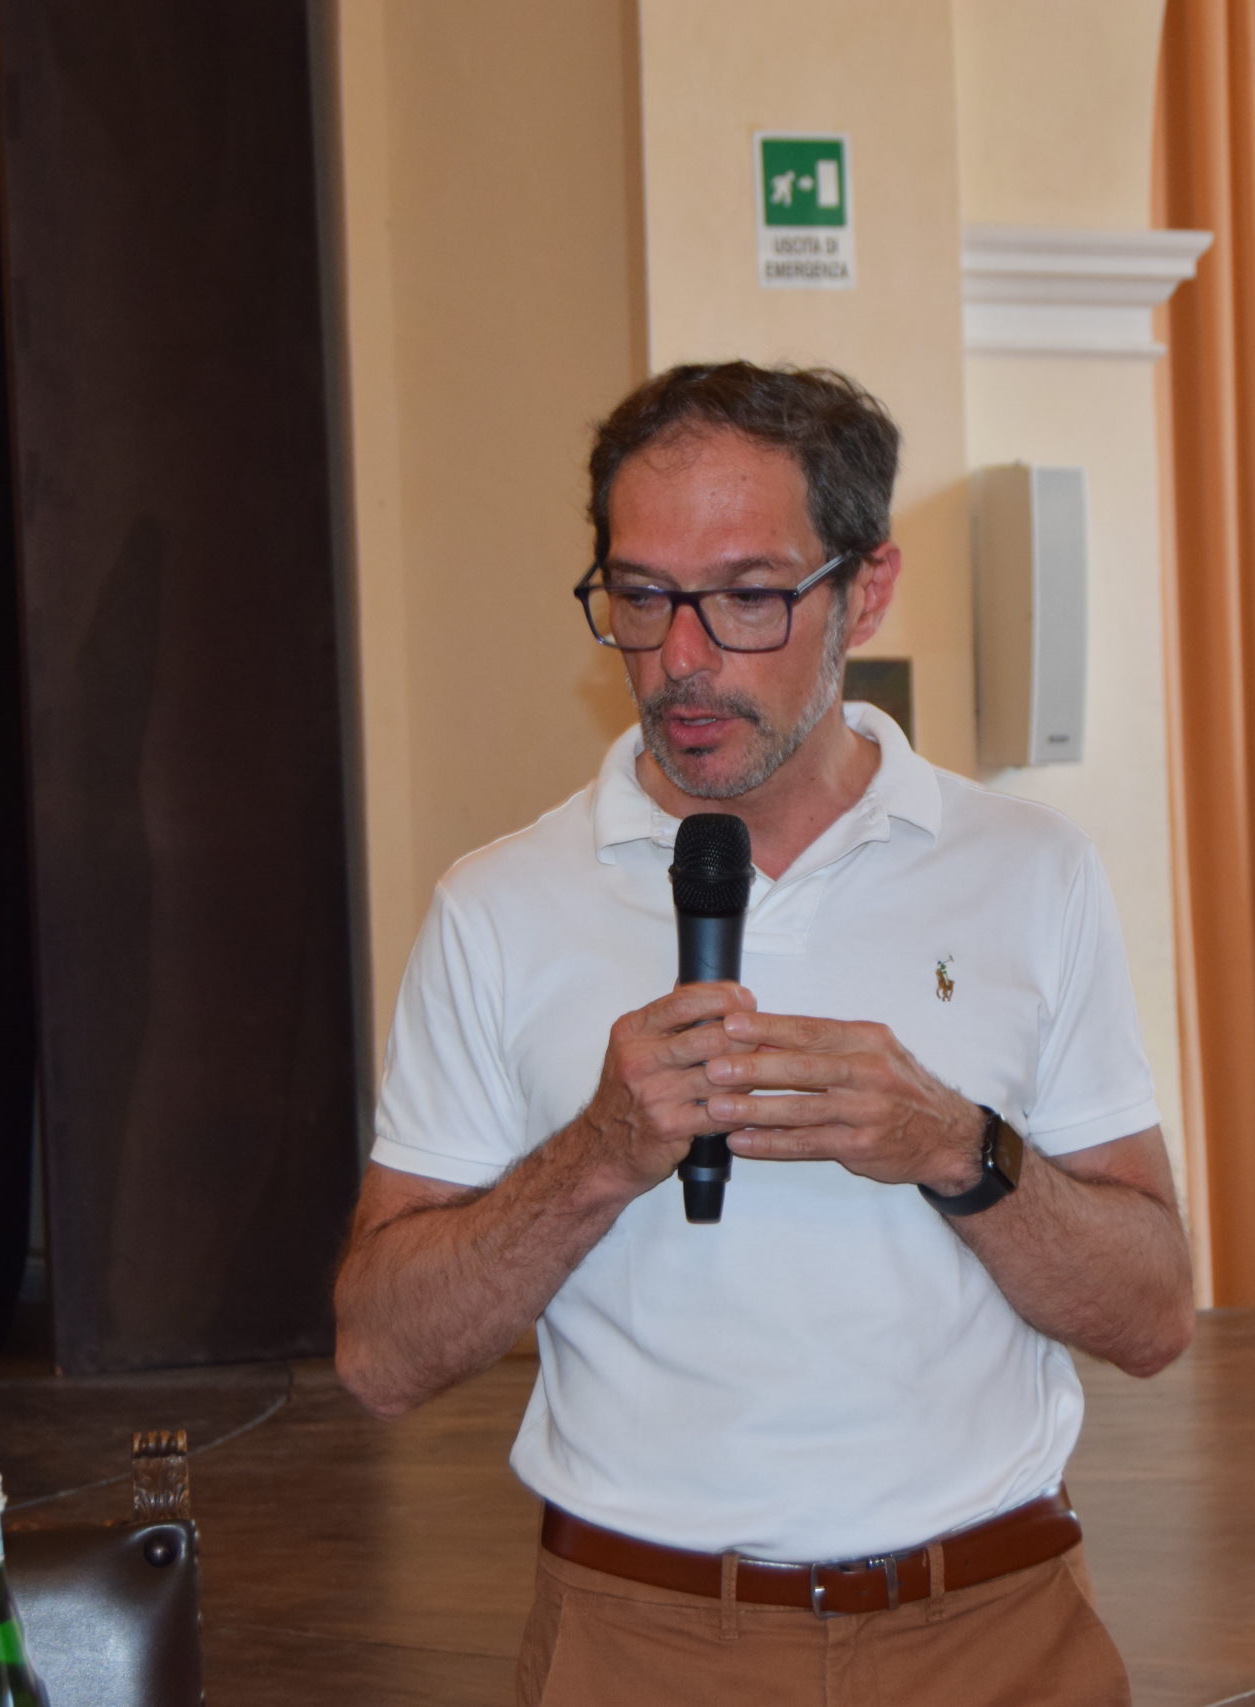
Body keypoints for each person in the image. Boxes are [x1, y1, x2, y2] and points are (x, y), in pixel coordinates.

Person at [334, 362, 1195, 1706]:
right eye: (640, 596)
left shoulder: (1031, 871)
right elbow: (380, 1355)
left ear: (866, 590)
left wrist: (957, 1149)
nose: (681, 658)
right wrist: (598, 1157)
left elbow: (1151, 1314)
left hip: (1000, 1632)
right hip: (644, 1642)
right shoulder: (497, 906)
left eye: (747, 596)